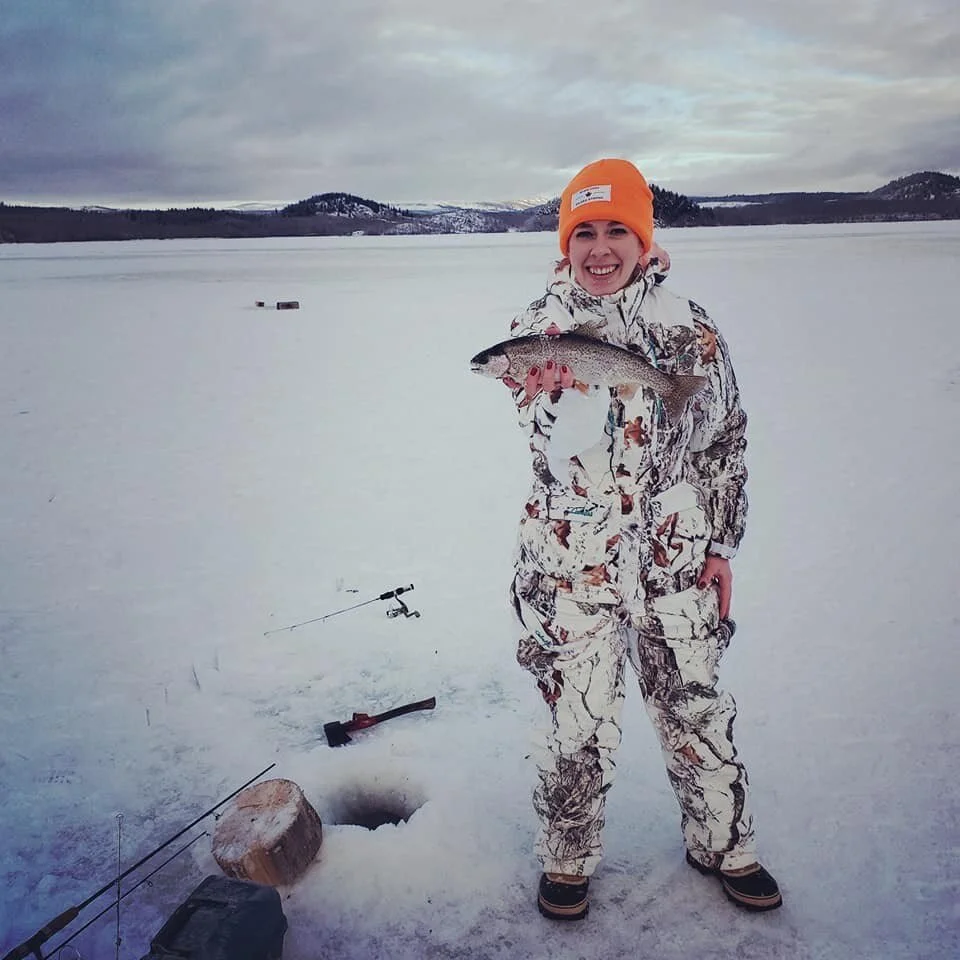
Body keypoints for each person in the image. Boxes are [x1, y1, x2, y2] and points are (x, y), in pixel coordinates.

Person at [499, 158, 781, 920]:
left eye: (615, 230)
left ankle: (726, 844)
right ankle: (566, 857)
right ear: (565, 245)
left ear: (642, 238)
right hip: (570, 565)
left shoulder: (689, 330)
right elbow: (542, 438)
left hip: (675, 558)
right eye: (583, 232)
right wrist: (550, 402)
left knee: (695, 706)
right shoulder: (538, 329)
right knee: (574, 720)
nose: (599, 248)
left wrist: (721, 545)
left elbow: (723, 439)